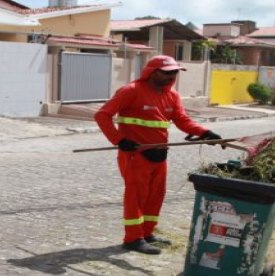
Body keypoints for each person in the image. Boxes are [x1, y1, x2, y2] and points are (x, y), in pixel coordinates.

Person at [94, 55, 223, 255]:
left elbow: (182, 119)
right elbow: (102, 115)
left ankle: (147, 233)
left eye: (175, 72)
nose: (172, 76)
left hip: (160, 155)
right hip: (136, 155)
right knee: (136, 197)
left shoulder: (172, 96)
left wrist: (204, 133)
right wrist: (119, 140)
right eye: (167, 72)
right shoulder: (131, 91)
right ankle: (133, 238)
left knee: (156, 196)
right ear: (152, 72)